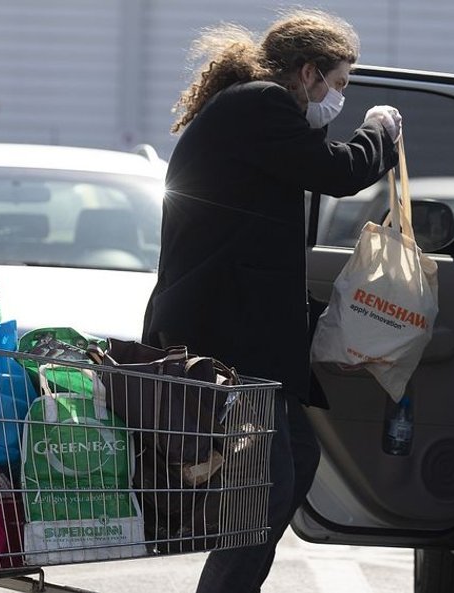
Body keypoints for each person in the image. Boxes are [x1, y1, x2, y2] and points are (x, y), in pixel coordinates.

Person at [142, 9, 401, 592]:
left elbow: (302, 168)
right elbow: (337, 172)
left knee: (294, 463)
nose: (338, 99)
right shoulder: (260, 104)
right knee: (269, 486)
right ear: (307, 73)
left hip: (240, 327)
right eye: (337, 84)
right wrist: (380, 131)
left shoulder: (255, 110)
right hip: (229, 331)